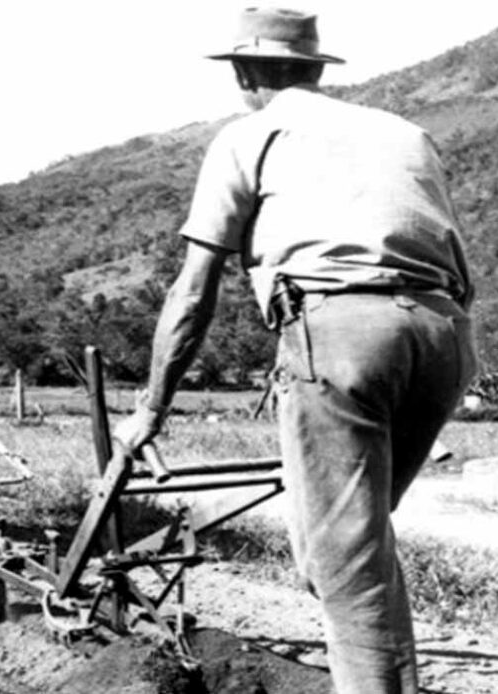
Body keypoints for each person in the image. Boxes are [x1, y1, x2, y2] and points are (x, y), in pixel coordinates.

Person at [115, 8, 476, 694]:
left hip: (342, 336)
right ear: (314, 67)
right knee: (345, 548)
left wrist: (150, 411)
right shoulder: (406, 132)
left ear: (246, 72)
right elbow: (461, 268)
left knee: (345, 558)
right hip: (442, 334)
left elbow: (194, 291)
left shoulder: (249, 135)